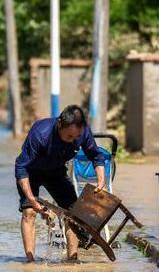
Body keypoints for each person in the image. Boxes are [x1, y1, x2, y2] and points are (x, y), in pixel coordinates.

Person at [15, 105, 106, 262]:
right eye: (69, 136)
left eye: (76, 137)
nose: (73, 140)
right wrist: (31, 200)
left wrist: (101, 180)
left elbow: (96, 156)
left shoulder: (83, 132)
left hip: (56, 171)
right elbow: (21, 167)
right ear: (59, 125)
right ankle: (30, 262)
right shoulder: (40, 134)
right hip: (31, 172)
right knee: (29, 212)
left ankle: (73, 259)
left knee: (73, 214)